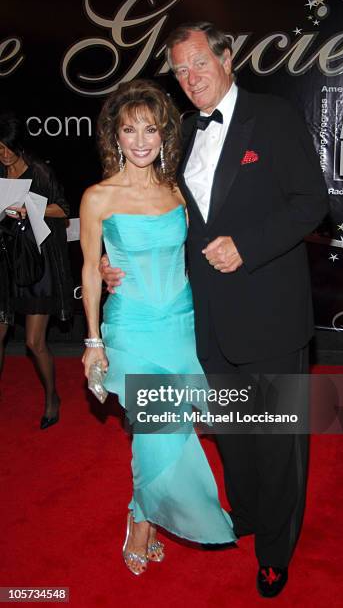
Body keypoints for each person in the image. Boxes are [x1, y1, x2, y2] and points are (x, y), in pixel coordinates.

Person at [102, 23, 329, 596]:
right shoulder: (177, 135)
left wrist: (248, 247)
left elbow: (311, 202)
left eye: (200, 62)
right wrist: (115, 262)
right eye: (180, 69)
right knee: (232, 432)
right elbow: (156, 215)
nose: (191, 77)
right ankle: (248, 514)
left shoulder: (272, 117)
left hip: (272, 314)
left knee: (277, 440)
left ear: (228, 59)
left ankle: (275, 551)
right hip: (204, 322)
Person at [80, 79, 235, 576]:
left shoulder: (178, 191)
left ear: (164, 134)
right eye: (130, 130)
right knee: (159, 424)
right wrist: (92, 342)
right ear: (115, 137)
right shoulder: (97, 197)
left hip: (179, 324)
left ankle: (139, 511)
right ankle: (144, 522)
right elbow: (88, 268)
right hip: (130, 326)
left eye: (150, 128)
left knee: (165, 428)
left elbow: (193, 256)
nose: (141, 139)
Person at [0, 112, 73, 429]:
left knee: (34, 342)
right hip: (5, 264)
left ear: (18, 145)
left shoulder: (39, 172)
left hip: (37, 266)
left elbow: (64, 211)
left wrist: (30, 206)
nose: (2, 154)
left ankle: (52, 397)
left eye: (6, 148)